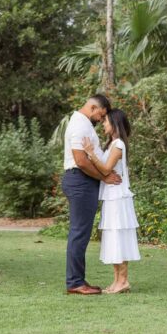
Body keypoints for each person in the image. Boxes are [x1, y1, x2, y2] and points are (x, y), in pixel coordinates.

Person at [61, 94, 121, 295]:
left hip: (83, 181)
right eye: (100, 115)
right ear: (93, 107)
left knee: (81, 233)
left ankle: (78, 280)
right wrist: (104, 177)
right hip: (80, 181)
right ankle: (75, 283)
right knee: (79, 233)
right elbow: (81, 160)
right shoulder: (79, 125)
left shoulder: (83, 123)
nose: (100, 119)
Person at [82, 107, 140, 293]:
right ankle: (117, 281)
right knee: (114, 239)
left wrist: (90, 153)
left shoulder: (119, 145)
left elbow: (106, 169)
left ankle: (123, 281)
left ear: (114, 123)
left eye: (106, 121)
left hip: (118, 198)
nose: (103, 124)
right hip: (111, 197)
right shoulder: (112, 144)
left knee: (119, 238)